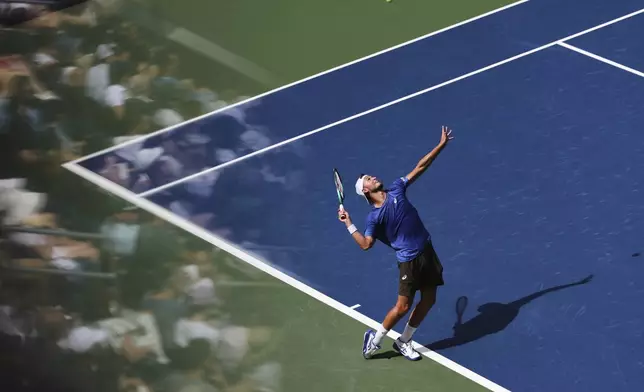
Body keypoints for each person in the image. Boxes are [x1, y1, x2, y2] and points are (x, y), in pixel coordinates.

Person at [338, 126, 454, 361]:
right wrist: (349, 223)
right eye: (368, 179)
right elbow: (366, 244)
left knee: (429, 299)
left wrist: (440, 146)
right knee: (402, 307)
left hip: (427, 251)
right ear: (366, 190)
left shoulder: (397, 189)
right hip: (409, 262)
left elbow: (420, 167)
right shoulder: (374, 217)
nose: (374, 177)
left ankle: (404, 340)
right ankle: (374, 341)